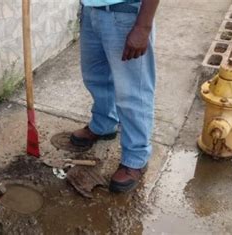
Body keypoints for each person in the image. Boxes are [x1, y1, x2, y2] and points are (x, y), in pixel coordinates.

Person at [70, 0, 159, 192]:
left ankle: (136, 157)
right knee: (96, 78)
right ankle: (104, 124)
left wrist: (143, 27)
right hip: (91, 10)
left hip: (126, 14)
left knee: (133, 92)